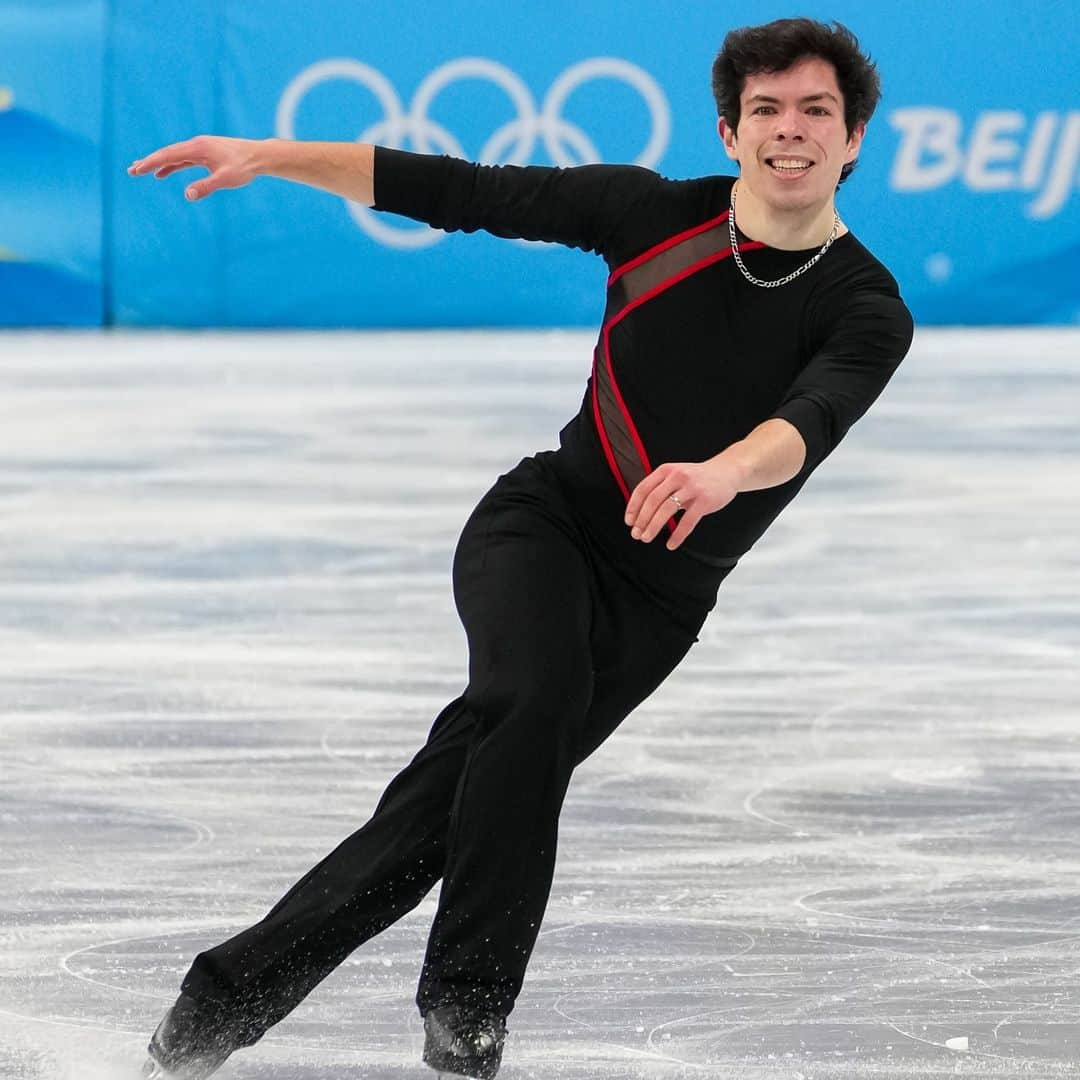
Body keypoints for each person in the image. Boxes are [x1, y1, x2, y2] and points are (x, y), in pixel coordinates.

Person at [128, 16, 913, 1080]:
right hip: (541, 529)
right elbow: (465, 191)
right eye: (766, 110)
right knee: (531, 707)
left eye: (815, 110)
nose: (790, 130)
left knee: (442, 815)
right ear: (730, 133)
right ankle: (470, 1015)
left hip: (659, 606)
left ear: (854, 136)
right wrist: (274, 157)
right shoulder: (647, 214)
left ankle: (213, 1011)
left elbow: (813, 418)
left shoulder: (866, 303)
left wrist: (725, 470)